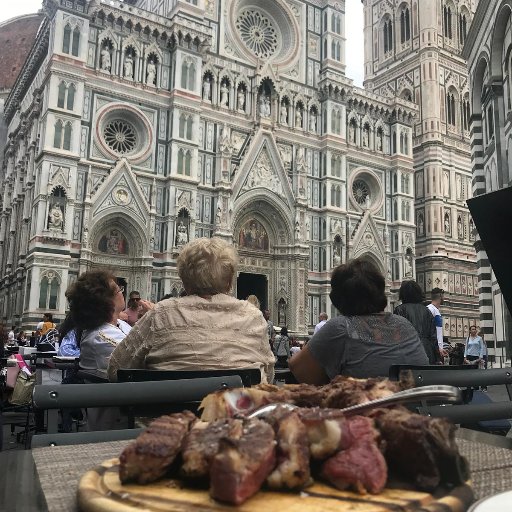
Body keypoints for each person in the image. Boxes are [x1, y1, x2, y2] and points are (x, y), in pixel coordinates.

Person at [107, 238, 275, 383]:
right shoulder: (253, 316)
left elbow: (116, 370)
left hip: (167, 418)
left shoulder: (160, 314)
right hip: (238, 418)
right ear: (230, 282)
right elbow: (268, 372)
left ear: (184, 282)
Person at [289, 258, 428, 384]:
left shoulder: (342, 327)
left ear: (337, 299)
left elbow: (299, 371)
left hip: (369, 409)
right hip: (418, 408)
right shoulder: (404, 324)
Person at [394, 280, 440, 364]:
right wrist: (437, 358)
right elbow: (433, 336)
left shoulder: (400, 310)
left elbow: (397, 335)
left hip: (408, 350)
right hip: (427, 351)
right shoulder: (427, 311)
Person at [427, 288, 448, 360]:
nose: (444, 298)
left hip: (437, 349)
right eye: (443, 296)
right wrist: (438, 348)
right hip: (433, 348)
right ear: (440, 296)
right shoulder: (430, 309)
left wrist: (441, 347)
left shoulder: (436, 310)